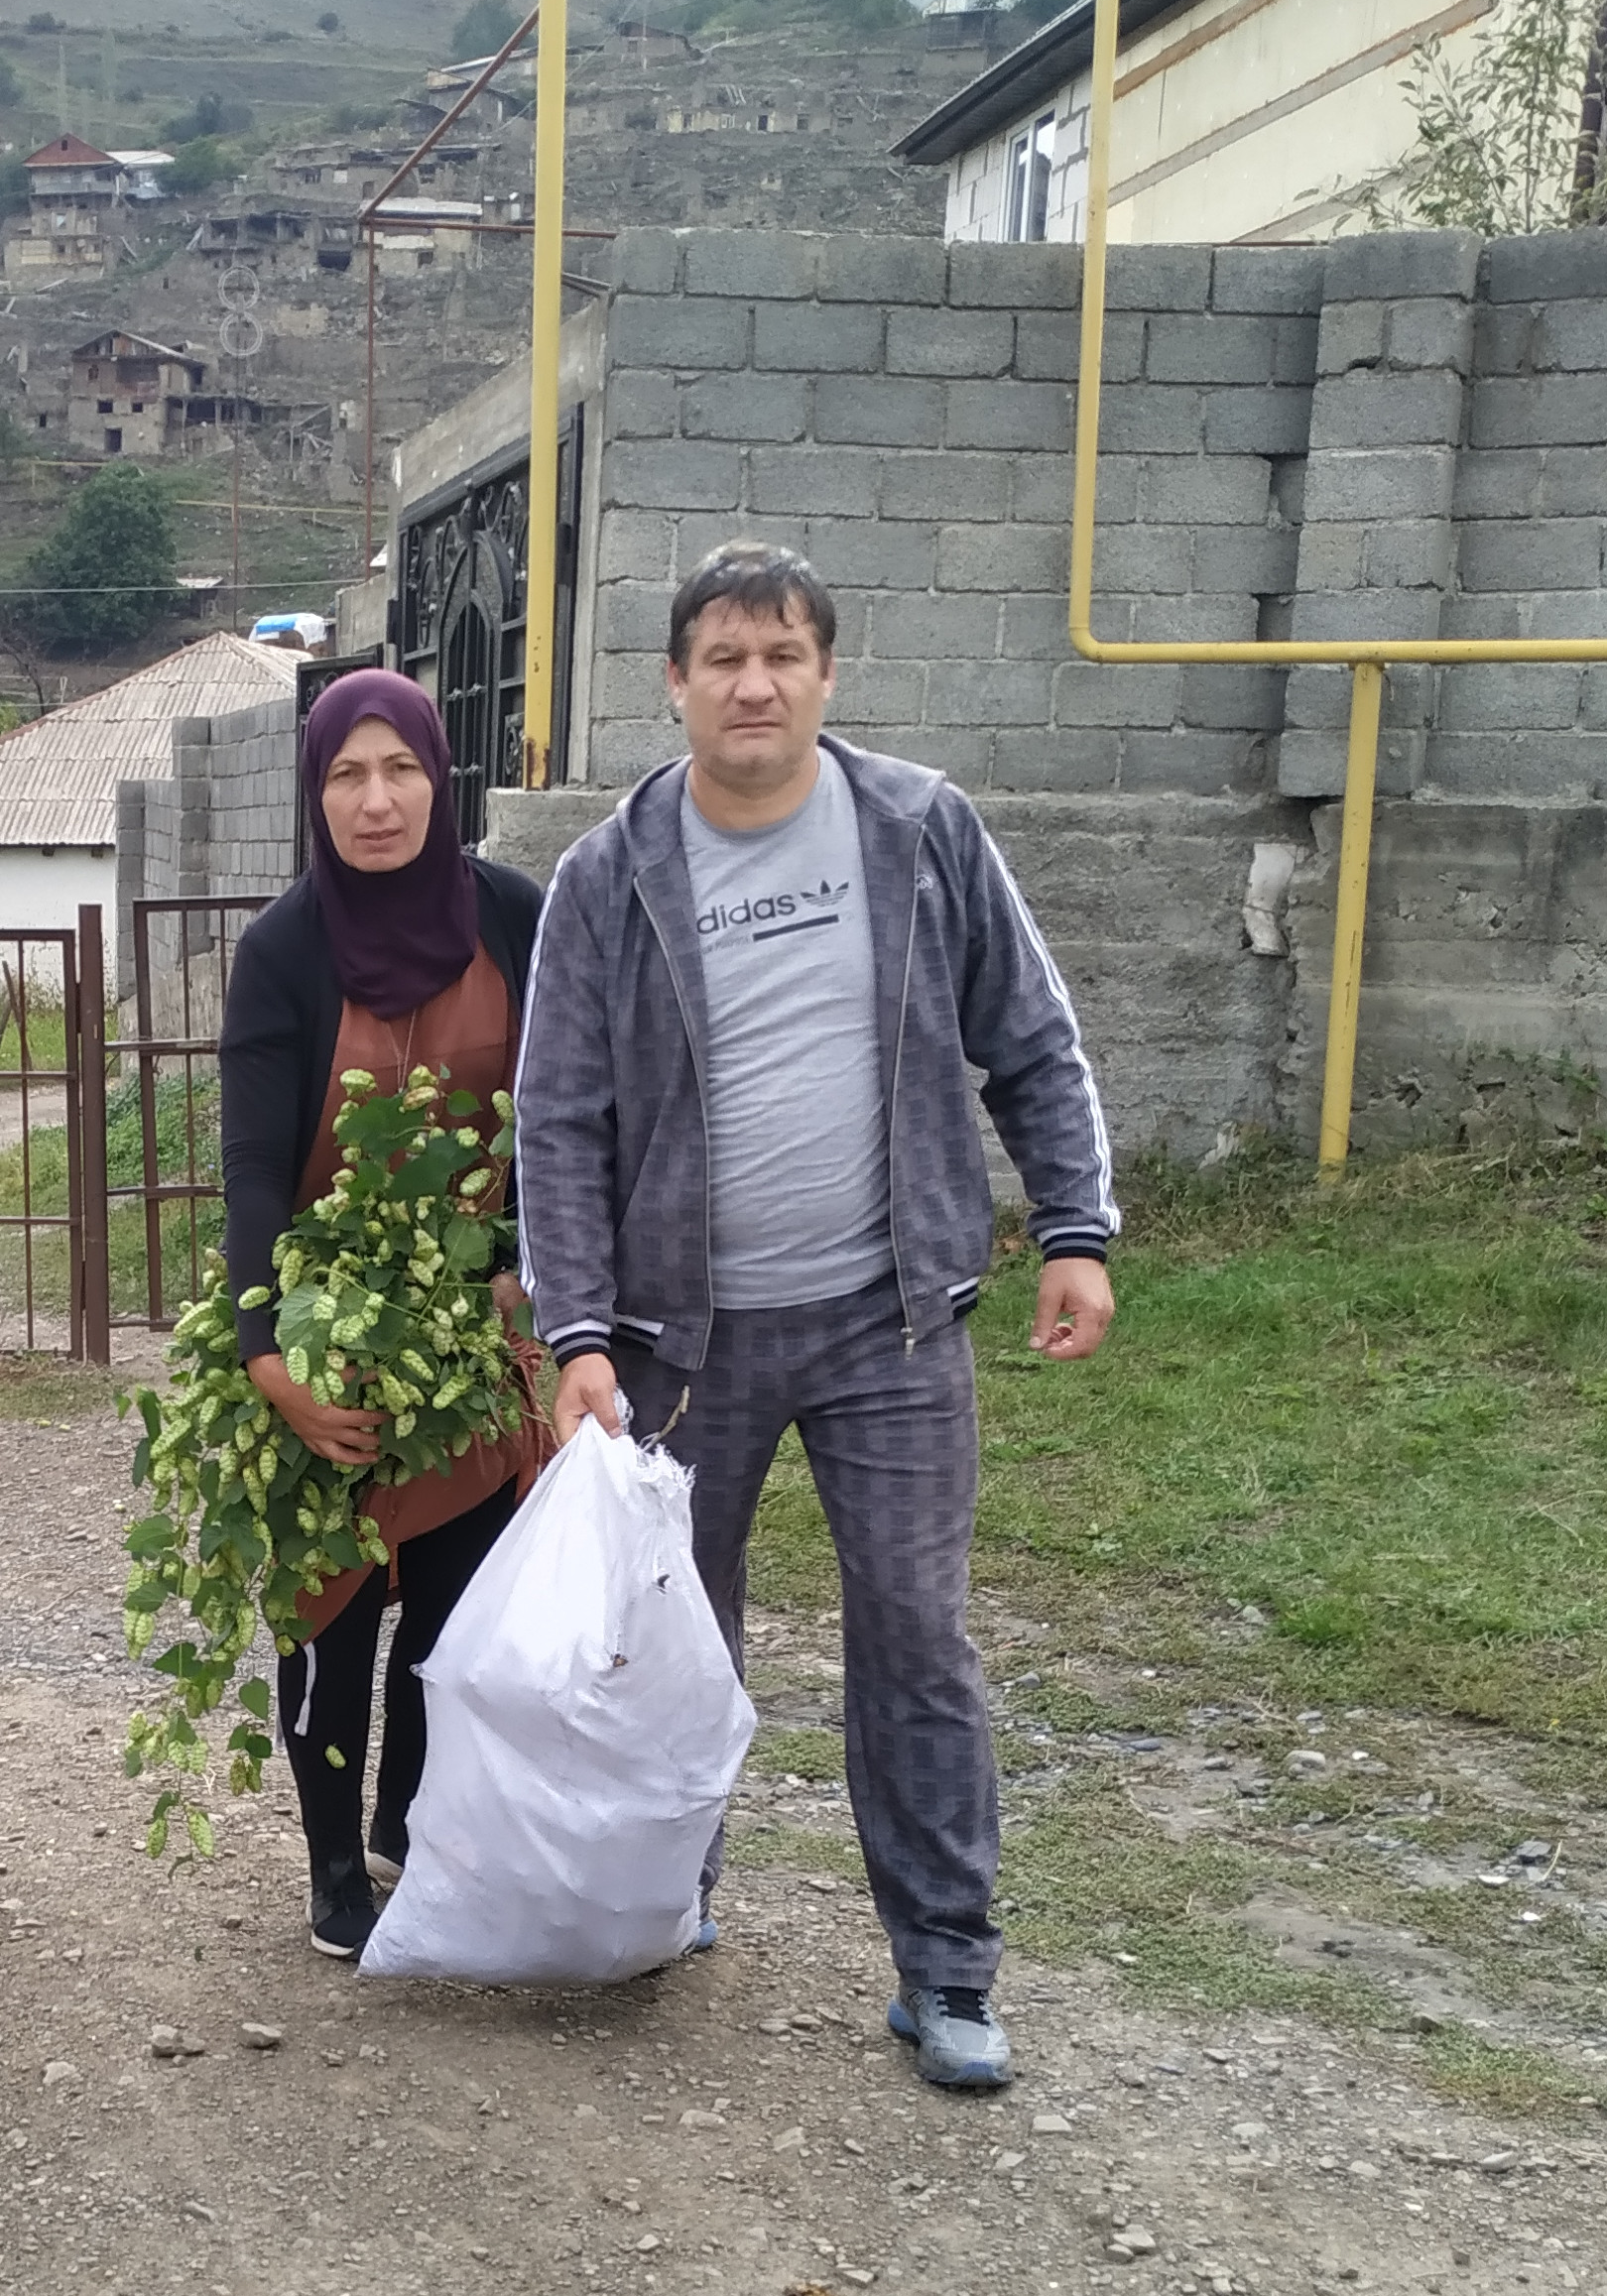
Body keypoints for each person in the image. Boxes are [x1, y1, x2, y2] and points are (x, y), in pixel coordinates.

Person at [515, 542, 1119, 2091]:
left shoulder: (919, 831)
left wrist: (1072, 1229)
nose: (752, 683)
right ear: (673, 683)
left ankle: (944, 1966)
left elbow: (1029, 1038)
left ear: (825, 673)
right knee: (675, 1642)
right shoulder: (607, 874)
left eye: (781, 653)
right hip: (674, 1342)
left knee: (915, 1636)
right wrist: (576, 1335)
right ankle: (675, 1886)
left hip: (887, 1323)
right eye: (720, 657)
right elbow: (557, 1122)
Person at [218, 670, 552, 1959]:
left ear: (438, 776)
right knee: (333, 1609)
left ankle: (411, 1825)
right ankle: (328, 1863)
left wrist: (536, 1270)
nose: (374, 800)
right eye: (345, 775)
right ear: (315, 792)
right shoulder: (281, 951)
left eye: (398, 770)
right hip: (326, 1325)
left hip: (481, 1333)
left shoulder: (513, 918)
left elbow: (567, 1117)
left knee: (457, 1612)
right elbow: (252, 1166)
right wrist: (267, 1354)